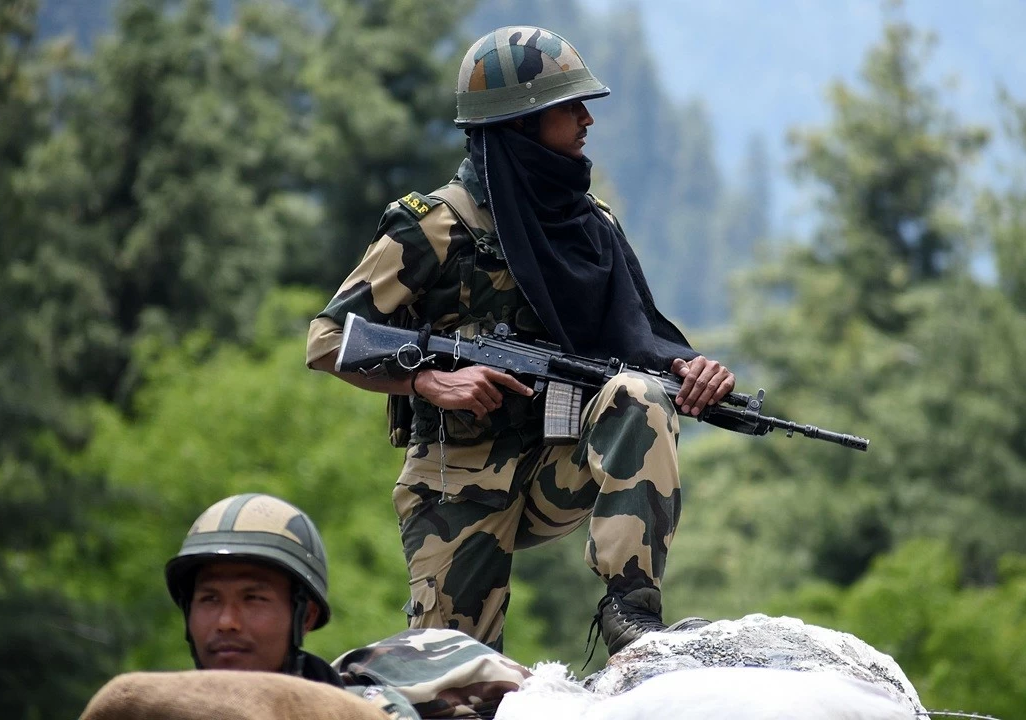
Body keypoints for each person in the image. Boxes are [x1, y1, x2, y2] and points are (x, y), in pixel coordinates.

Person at [306, 26, 734, 658]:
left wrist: (693, 374)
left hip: (553, 467)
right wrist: (428, 378)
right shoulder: (434, 229)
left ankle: (631, 613)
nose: (588, 119)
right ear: (522, 122)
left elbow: (639, 343)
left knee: (640, 395)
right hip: (457, 480)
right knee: (454, 680)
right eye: (569, 106)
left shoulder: (587, 226)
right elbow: (326, 338)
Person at [163, 492, 421, 719]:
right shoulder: (152, 709)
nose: (226, 622)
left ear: (306, 616)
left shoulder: (367, 713)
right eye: (210, 599)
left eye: (252, 598)